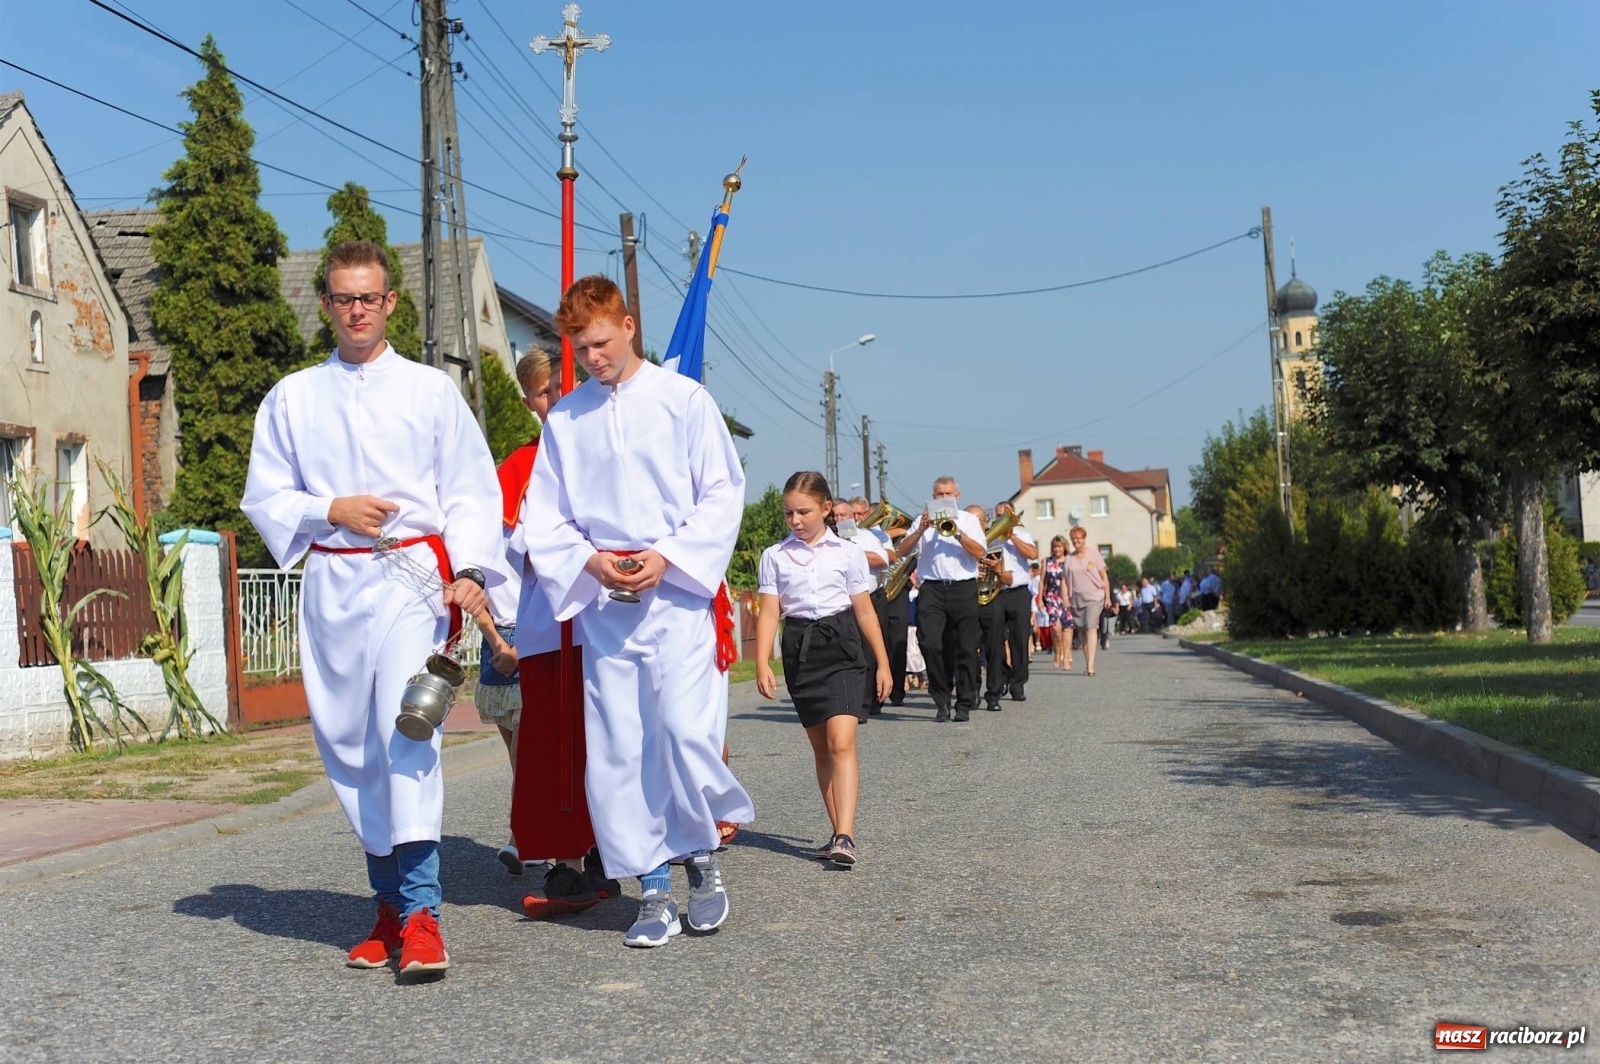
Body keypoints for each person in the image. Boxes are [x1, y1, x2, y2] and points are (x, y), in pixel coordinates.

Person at [241, 240, 506, 976]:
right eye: (342, 298)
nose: (356, 310)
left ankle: (424, 916)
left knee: (407, 731)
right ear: (324, 303)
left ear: (391, 302)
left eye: (370, 297)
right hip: (332, 581)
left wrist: (475, 571)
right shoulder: (292, 396)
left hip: (410, 579)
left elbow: (472, 491)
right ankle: (386, 910)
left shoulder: (429, 391)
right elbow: (265, 496)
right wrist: (331, 507)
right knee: (353, 748)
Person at [520, 275, 753, 950]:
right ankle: (652, 888)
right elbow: (547, 517)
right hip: (608, 605)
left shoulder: (684, 401)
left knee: (682, 732)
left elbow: (721, 492)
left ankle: (702, 860)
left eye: (600, 342)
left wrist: (671, 555)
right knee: (622, 749)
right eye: (580, 348)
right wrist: (590, 562)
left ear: (628, 325)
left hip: (677, 596)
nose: (592, 357)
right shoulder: (566, 419)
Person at [498, 352, 619, 918]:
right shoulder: (520, 465)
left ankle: (606, 850)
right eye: (545, 393)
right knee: (553, 748)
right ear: (530, 402)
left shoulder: (607, 446)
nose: (557, 400)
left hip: (605, 621)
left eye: (563, 387)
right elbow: (503, 548)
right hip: (549, 624)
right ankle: (562, 862)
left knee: (608, 741)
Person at [755, 473, 891, 866]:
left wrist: (882, 662)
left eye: (803, 512)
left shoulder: (847, 552)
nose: (795, 520)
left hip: (843, 645)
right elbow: (768, 613)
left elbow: (864, 610)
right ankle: (838, 832)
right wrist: (764, 662)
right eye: (788, 513)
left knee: (841, 743)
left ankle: (846, 835)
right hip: (801, 649)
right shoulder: (774, 556)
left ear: (826, 509)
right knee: (821, 749)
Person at [903, 478, 986, 722]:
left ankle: (964, 702)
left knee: (966, 647)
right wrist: (921, 529)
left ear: (957, 495)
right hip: (932, 589)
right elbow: (902, 551)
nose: (943, 498)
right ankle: (941, 697)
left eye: (948, 493)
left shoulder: (969, 520)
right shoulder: (922, 521)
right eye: (939, 494)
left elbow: (980, 552)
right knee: (930, 643)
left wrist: (957, 532)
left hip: (963, 588)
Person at [852, 496, 908, 709]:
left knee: (885, 643)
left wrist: (854, 551)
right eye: (853, 514)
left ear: (867, 514)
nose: (857, 518)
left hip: (878, 593)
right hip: (854, 596)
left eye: (860, 514)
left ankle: (887, 692)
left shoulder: (879, 535)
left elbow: (890, 558)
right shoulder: (842, 535)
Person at [840, 498, 890, 716]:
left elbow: (884, 561)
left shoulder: (866, 537)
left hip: (866, 599)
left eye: (843, 515)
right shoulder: (826, 539)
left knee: (866, 653)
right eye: (836, 516)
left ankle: (866, 703)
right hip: (840, 605)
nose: (839, 520)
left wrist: (854, 550)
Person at [992, 500, 1038, 701]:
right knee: (995, 638)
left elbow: (1033, 554)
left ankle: (1018, 683)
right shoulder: (991, 536)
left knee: (1019, 639)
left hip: (1018, 592)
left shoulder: (1022, 534)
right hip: (997, 592)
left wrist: (1012, 537)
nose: (1000, 518)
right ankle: (1001, 677)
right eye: (998, 515)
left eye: (1004, 515)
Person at [968, 505, 1009, 712]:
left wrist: (998, 570)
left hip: (992, 600)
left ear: (986, 523)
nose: (976, 525)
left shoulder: (998, 544)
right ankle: (971, 691)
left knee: (994, 649)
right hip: (968, 601)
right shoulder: (961, 544)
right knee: (968, 649)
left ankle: (993, 695)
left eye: (980, 522)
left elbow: (1009, 578)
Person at [1065, 528, 1112, 675]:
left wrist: (1108, 597)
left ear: (1084, 539)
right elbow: (1064, 581)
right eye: (1073, 538)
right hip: (1077, 599)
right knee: (1082, 631)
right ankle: (1087, 663)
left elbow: (1104, 576)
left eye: (1078, 538)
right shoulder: (1069, 559)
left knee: (1091, 627)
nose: (1076, 541)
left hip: (1095, 596)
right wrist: (1065, 598)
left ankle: (1091, 666)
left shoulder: (1094, 554)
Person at [1039, 536, 1071, 670]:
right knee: (1056, 627)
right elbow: (1042, 581)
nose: (1057, 549)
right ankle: (1058, 651)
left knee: (1067, 627)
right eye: (1055, 547)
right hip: (1052, 597)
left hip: (1067, 597)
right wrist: (1040, 599)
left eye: (1059, 546)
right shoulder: (1046, 561)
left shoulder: (1070, 561)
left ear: (1064, 547)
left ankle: (1067, 657)